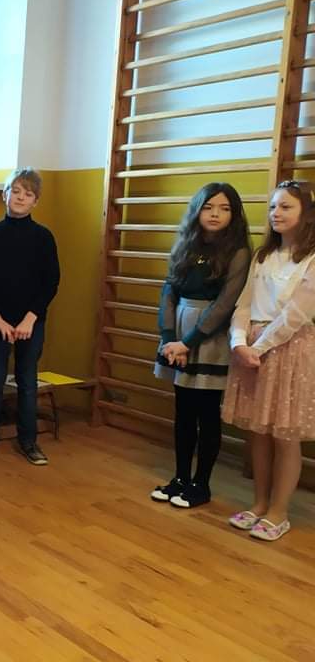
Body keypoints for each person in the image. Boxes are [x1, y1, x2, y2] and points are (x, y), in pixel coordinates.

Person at [224, 180, 315, 542]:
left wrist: (258, 348)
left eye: (286, 207)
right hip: (251, 350)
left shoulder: (311, 258)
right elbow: (243, 305)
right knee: (258, 432)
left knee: (284, 435)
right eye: (273, 206)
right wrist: (238, 341)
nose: (276, 213)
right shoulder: (263, 256)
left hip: (288, 349)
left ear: (307, 214)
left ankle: (279, 511)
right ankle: (259, 503)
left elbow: (296, 314)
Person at [151, 183, 251, 508]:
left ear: (234, 214)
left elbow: (225, 304)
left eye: (224, 208)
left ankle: (201, 484)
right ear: (197, 210)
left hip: (209, 337)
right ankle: (180, 477)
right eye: (208, 207)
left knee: (206, 412)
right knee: (183, 410)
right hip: (178, 332)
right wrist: (169, 338)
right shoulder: (185, 245)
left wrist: (188, 342)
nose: (215, 214)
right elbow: (169, 291)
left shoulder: (238, 252)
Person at [0, 168, 60, 465]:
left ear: (35, 201)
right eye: (15, 191)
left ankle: (28, 441)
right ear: (4, 195)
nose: (20, 198)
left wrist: (31, 319)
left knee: (27, 380)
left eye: (27, 194)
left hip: (31, 322)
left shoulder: (43, 237)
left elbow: (50, 282)